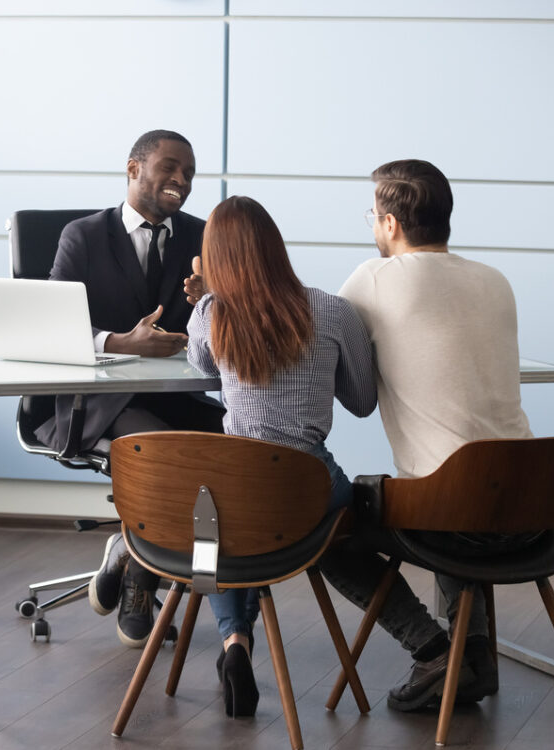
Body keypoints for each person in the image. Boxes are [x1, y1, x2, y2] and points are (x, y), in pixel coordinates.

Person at [320, 158, 534, 712]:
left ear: (389, 224)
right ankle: (475, 656)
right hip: (534, 508)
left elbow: (352, 390)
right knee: (454, 476)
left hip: (455, 518)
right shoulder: (495, 279)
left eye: (373, 215)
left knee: (323, 526)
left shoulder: (372, 278)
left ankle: (433, 648)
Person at [186, 195, 377, 717]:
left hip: (236, 487)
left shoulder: (210, 314)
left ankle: (235, 645)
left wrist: (206, 297)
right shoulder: (334, 310)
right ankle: (240, 642)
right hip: (309, 487)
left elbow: (201, 366)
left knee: (218, 530)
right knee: (270, 522)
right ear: (276, 246)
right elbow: (363, 402)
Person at [38, 130, 225, 649]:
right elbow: (54, 328)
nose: (181, 181)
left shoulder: (202, 236)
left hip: (179, 395)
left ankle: (130, 552)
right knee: (164, 456)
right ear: (133, 168)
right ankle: (142, 577)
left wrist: (212, 300)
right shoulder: (83, 236)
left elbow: (222, 331)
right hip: (98, 402)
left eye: (189, 172)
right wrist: (122, 342)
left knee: (233, 453)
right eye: (169, 167)